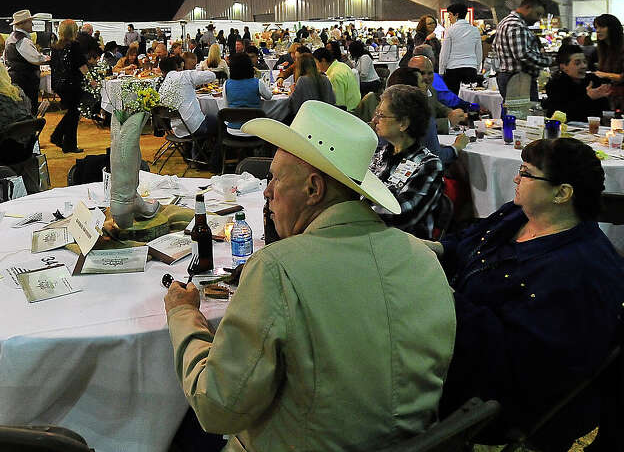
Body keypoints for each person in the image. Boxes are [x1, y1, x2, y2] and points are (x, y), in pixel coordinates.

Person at [164, 101, 455, 450]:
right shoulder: (423, 258)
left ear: (314, 189)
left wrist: (183, 315)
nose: (267, 191)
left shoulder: (277, 269)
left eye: (274, 178)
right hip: (414, 444)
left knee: (169, 428)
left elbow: (216, 407)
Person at [432, 138, 624, 449]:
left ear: (562, 193)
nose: (516, 178)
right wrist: (435, 249)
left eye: (526, 172)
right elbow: (469, 241)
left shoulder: (579, 270)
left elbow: (518, 357)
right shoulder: (520, 215)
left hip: (492, 395)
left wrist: (440, 295)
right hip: (452, 338)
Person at [369, 85, 447, 239]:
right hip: (370, 236)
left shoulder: (428, 164)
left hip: (404, 249)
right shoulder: (379, 154)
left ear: (403, 123)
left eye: (381, 115)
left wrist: (353, 213)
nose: (374, 120)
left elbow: (401, 216)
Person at [492, 0, 552, 100]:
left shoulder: (505, 22)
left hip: (511, 78)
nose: (538, 19)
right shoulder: (516, 25)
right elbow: (523, 55)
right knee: (525, 115)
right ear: (527, 7)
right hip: (518, 80)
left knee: (514, 113)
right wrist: (549, 61)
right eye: (537, 14)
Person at [49, 19, 89, 154]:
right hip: (73, 84)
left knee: (72, 113)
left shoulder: (55, 47)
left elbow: (53, 66)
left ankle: (64, 141)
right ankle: (60, 138)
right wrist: (91, 80)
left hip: (59, 85)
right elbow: (81, 65)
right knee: (73, 113)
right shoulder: (74, 45)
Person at [593, 13, 624, 121]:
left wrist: (606, 75)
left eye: (602, 27)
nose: (598, 30)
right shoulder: (604, 50)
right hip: (610, 100)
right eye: (596, 27)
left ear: (613, 28)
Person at [157, 54, 218, 138]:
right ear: (177, 67)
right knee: (218, 118)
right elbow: (212, 76)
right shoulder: (184, 75)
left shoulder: (162, 87)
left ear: (163, 72)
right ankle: (213, 150)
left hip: (177, 129)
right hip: (194, 127)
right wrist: (206, 69)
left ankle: (195, 148)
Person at [544, 45, 612, 120]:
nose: (583, 66)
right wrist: (588, 97)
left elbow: (604, 111)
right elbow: (561, 115)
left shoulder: (593, 80)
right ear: (563, 67)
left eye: (585, 62)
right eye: (577, 63)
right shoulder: (555, 85)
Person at [4, 9, 48, 110]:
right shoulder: (23, 40)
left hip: (15, 78)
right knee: (28, 108)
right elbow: (36, 59)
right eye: (29, 21)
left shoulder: (11, 38)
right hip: (25, 80)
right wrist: (46, 58)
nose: (32, 24)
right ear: (22, 24)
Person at [438, 2, 482, 92]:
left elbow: (444, 53)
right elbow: (479, 52)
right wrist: (476, 69)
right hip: (471, 68)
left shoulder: (450, 30)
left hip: (453, 70)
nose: (449, 17)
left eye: (450, 14)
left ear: (456, 15)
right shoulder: (475, 30)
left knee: (454, 99)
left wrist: (441, 72)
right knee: (469, 98)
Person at [222, 53, 272, 128]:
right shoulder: (257, 83)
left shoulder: (226, 84)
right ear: (250, 67)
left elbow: (226, 107)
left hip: (233, 128)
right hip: (255, 129)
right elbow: (269, 96)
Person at [288, 52, 334, 118]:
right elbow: (332, 100)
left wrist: (292, 92)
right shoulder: (325, 79)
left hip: (308, 118)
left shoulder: (302, 80)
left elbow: (294, 104)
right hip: (326, 117)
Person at [314, 46, 359, 112]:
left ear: (323, 61)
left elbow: (339, 105)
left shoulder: (334, 75)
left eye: (316, 62)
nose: (316, 66)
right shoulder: (341, 65)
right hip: (356, 106)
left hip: (349, 112)